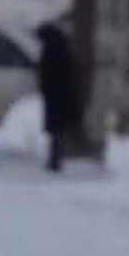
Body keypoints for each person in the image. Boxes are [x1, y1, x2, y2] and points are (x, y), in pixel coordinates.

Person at [35, 22, 82, 172]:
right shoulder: (61, 48)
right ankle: (56, 158)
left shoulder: (52, 50)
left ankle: (55, 159)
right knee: (59, 129)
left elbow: (47, 72)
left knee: (57, 129)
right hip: (62, 95)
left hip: (57, 95)